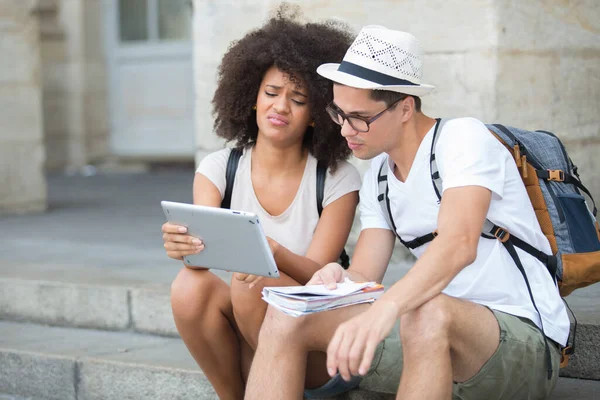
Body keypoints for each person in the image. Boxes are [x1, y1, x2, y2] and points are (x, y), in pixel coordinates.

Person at [245, 25, 569, 400]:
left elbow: (459, 244)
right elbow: (365, 273)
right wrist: (338, 278)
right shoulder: (378, 178)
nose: (347, 130)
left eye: (360, 117)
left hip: (521, 341)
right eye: (339, 113)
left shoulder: (462, 140)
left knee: (426, 312)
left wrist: (384, 310)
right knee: (287, 314)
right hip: (427, 336)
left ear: (404, 108)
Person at [160, 8, 362, 400]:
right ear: (252, 98)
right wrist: (182, 246)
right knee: (190, 286)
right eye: (271, 93)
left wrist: (272, 254)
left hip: (318, 338)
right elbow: (202, 253)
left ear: (318, 116)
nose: (281, 107)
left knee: (252, 279)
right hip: (249, 319)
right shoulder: (219, 168)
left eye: (299, 99)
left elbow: (317, 277)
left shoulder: (337, 179)